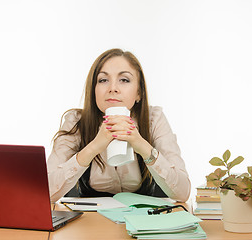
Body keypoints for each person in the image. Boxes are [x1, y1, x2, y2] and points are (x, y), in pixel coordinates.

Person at [47, 48, 191, 203]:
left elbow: (183, 193)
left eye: (124, 80)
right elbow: (45, 193)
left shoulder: (153, 119)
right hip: (90, 222)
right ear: (93, 89)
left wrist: (141, 145)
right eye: (103, 80)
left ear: (139, 93)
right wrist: (94, 147)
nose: (113, 88)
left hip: (143, 221)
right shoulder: (75, 121)